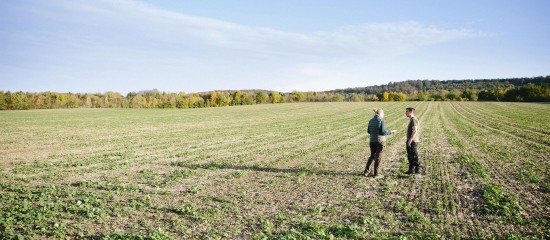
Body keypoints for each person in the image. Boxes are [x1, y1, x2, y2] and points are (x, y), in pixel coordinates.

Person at [365, 108, 397, 178]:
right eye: (383, 113)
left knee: (372, 156)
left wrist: (374, 132)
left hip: (372, 141)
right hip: (380, 141)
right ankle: (377, 174)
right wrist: (391, 131)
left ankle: (366, 171)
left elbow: (368, 131)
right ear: (380, 114)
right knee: (378, 157)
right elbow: (383, 132)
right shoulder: (381, 121)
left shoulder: (370, 121)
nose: (384, 115)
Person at [405, 107, 420, 174]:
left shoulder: (413, 120)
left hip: (413, 141)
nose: (406, 113)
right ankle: (411, 170)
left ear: (411, 112)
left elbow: (415, 130)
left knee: (414, 155)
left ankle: (417, 171)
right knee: (410, 155)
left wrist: (410, 140)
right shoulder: (411, 120)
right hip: (411, 140)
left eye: (407, 111)